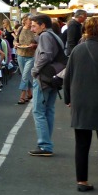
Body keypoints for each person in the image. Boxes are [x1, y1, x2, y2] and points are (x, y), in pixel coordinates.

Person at [63, 15, 98, 191]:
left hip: (81, 101)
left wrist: (68, 99)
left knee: (81, 143)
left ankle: (82, 181)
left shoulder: (78, 50)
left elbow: (68, 76)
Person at [29, 13, 66, 157]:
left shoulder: (45, 36)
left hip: (44, 78)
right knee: (49, 110)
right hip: (54, 78)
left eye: (34, 26)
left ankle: (45, 145)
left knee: (38, 111)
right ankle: (46, 143)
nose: (32, 29)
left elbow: (46, 55)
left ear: (42, 25)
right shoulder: (55, 35)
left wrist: (35, 70)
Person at [14, 14, 37, 104]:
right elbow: (15, 40)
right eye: (29, 20)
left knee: (25, 75)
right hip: (20, 54)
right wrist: (15, 44)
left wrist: (34, 45)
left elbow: (40, 42)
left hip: (31, 55)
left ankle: (22, 96)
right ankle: (29, 93)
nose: (31, 22)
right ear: (25, 20)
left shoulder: (34, 30)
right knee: (25, 75)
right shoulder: (20, 29)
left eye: (32, 20)